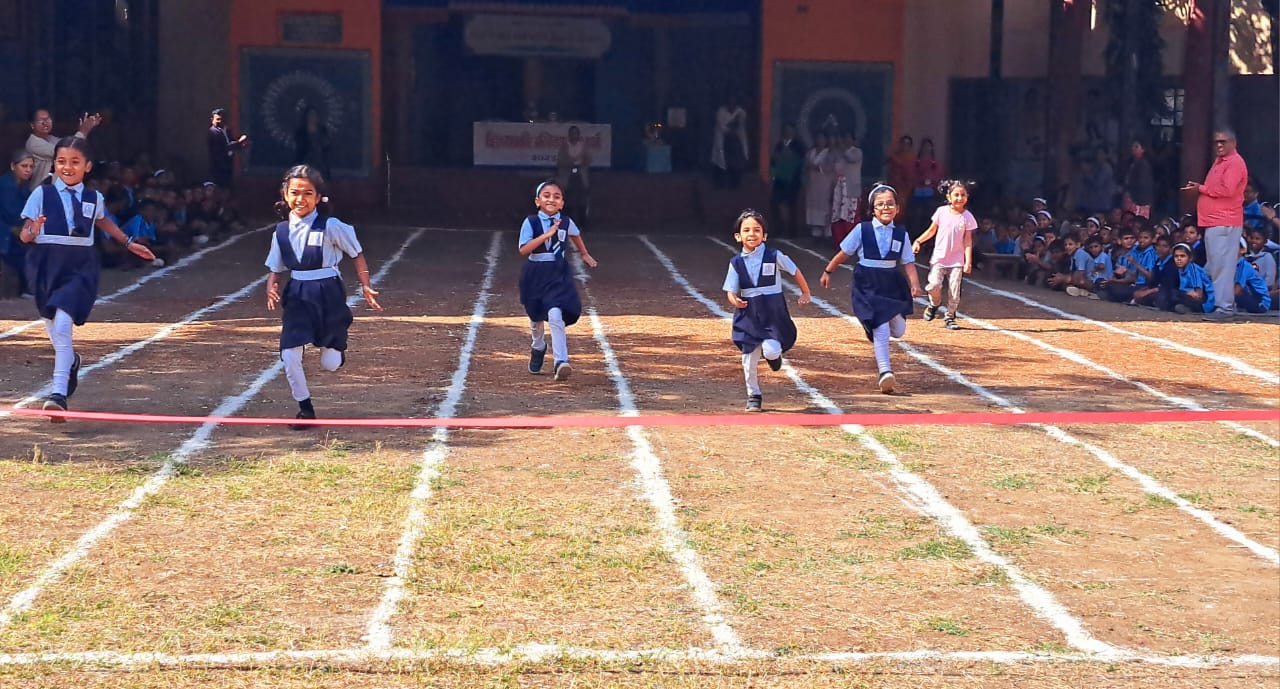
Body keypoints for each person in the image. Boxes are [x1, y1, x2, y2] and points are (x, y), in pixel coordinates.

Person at [18, 137, 156, 420]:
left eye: (75, 162)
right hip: (45, 264)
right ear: (54, 164)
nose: (67, 167)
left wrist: (128, 242)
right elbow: (24, 234)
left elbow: (103, 220)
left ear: (88, 166)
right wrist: (34, 230)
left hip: (79, 266)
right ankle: (70, 363)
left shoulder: (94, 198)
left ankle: (58, 394)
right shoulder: (41, 195)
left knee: (65, 322)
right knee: (54, 328)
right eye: (61, 162)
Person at [265, 165, 380, 429]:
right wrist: (272, 286)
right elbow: (275, 267)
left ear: (318, 197)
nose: (300, 199)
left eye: (308, 193)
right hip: (297, 295)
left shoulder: (331, 226)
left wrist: (365, 285)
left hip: (328, 292)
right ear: (284, 194)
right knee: (289, 353)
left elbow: (356, 254)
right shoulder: (280, 231)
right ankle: (305, 409)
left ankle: (336, 348)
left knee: (329, 364)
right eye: (294, 192)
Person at [819, 184, 924, 394]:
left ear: (897, 208)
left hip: (891, 284)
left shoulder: (901, 234)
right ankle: (885, 373)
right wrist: (828, 271)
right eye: (880, 204)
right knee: (882, 328)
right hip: (867, 282)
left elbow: (908, 263)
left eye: (890, 204)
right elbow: (845, 252)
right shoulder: (862, 229)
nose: (886, 208)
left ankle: (874, 328)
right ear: (873, 209)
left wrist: (915, 284)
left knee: (899, 331)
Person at [723, 209, 811, 412]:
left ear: (765, 235)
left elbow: (795, 271)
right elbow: (730, 289)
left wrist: (805, 292)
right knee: (748, 359)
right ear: (738, 236)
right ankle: (753, 394)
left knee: (771, 349)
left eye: (757, 230)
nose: (752, 234)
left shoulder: (774, 256)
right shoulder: (736, 263)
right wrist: (735, 300)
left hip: (772, 313)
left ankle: (774, 358)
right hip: (749, 316)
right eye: (746, 230)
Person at [518, 180, 598, 382]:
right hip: (535, 272)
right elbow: (523, 249)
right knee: (535, 316)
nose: (551, 199)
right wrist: (547, 234)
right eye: (546, 195)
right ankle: (538, 347)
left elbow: (576, 235)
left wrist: (584, 253)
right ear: (537, 201)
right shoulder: (531, 222)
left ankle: (560, 361)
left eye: (556, 196)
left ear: (562, 203)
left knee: (555, 314)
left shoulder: (566, 221)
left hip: (557, 272)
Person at [1184, 128, 1248, 320]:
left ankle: (1225, 309)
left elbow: (1227, 190)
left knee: (1222, 266)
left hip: (1224, 221)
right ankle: (1225, 306)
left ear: (1233, 143)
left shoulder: (1235, 162)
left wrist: (1200, 188)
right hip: (1215, 221)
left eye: (1223, 141)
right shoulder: (1220, 161)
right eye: (1216, 142)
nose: (1219, 145)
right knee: (1218, 265)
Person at [911, 180, 976, 330]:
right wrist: (918, 241)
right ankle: (934, 303)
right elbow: (932, 230)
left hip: (956, 261)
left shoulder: (967, 217)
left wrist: (968, 261)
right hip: (940, 258)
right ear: (949, 196)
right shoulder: (941, 211)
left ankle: (950, 316)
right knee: (933, 285)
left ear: (967, 197)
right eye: (956, 195)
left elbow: (967, 241)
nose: (959, 198)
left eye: (963, 195)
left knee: (954, 290)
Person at [25, 108, 99, 191]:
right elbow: (67, 150)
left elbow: (71, 144)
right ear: (32, 125)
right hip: (42, 192)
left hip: (56, 190)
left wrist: (84, 129)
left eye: (48, 119)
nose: (45, 123)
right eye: (41, 120)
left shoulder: (51, 139)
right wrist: (84, 131)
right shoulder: (33, 143)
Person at [1, 150, 36, 296]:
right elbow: (13, 214)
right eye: (24, 166)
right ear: (13, 166)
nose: (28, 170)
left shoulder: (22, 184)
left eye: (31, 166)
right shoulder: (6, 185)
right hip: (5, 231)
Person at [768, 123, 805, 238]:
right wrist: (773, 175)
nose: (788, 132)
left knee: (792, 205)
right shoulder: (779, 145)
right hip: (779, 180)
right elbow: (773, 160)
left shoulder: (798, 145)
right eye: (786, 130)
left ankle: (793, 231)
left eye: (790, 130)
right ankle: (778, 228)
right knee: (774, 203)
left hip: (793, 181)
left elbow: (801, 161)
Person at [1156, 243, 1213, 314]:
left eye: (1182, 256)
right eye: (1176, 256)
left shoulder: (1193, 269)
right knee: (1166, 293)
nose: (1179, 259)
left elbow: (1199, 295)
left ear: (1190, 258)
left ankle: (1194, 310)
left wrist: (1185, 293)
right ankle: (1183, 308)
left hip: (1204, 303)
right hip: (1188, 296)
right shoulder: (1180, 270)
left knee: (1173, 294)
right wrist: (1186, 292)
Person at [710, 96, 748, 189]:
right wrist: (730, 129)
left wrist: (735, 132)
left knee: (736, 164)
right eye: (730, 102)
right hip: (724, 141)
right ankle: (720, 184)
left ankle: (735, 184)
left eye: (734, 102)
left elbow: (740, 127)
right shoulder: (721, 112)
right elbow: (722, 127)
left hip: (736, 142)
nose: (732, 104)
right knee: (721, 163)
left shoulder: (741, 112)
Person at [803, 133, 835, 240]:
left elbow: (832, 168)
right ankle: (815, 229)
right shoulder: (810, 153)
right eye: (818, 138)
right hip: (812, 183)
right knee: (813, 204)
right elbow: (806, 165)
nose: (820, 141)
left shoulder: (829, 153)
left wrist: (819, 168)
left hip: (825, 182)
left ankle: (826, 230)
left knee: (824, 204)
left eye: (822, 139)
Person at [207, 107, 249, 189]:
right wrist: (239, 142)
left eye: (222, 119)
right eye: (217, 119)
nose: (220, 121)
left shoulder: (227, 130)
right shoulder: (213, 132)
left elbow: (232, 144)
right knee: (221, 187)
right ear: (212, 119)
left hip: (228, 164)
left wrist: (241, 145)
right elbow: (225, 147)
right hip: (219, 167)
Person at [556, 125, 591, 221]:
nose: (574, 135)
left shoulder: (583, 146)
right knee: (567, 199)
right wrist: (570, 163)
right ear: (569, 135)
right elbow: (560, 161)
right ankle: (566, 221)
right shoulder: (564, 147)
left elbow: (588, 160)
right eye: (572, 133)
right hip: (567, 176)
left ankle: (582, 222)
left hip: (580, 175)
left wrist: (580, 163)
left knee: (582, 200)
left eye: (576, 133)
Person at [1233, 238, 1271, 314]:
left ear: (1242, 250)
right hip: (1247, 299)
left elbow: (1237, 290)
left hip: (1260, 302)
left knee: (1237, 291)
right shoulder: (1229, 264)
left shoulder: (1243, 265)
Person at [294, 106, 331, 180]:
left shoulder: (323, 130)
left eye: (314, 115)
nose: (312, 117)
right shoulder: (301, 132)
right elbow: (299, 148)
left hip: (320, 162)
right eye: (310, 115)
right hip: (305, 161)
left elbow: (327, 145)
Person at [1122, 139, 1154, 219]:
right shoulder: (1131, 162)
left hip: (1138, 199)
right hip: (1130, 197)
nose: (1133, 148)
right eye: (1133, 146)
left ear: (1143, 149)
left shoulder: (1144, 164)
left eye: (1136, 147)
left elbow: (1143, 184)